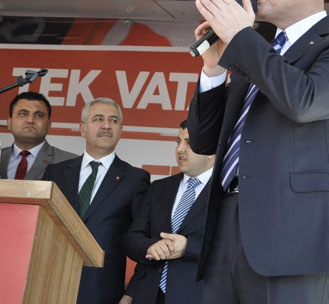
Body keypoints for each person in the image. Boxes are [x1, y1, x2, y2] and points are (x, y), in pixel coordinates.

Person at [187, 0, 329, 304]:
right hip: (226, 231)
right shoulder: (256, 53)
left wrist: (242, 38)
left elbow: (304, 102)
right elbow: (203, 142)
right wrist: (213, 69)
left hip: (295, 243)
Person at [44, 97, 150, 304]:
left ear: (121, 130)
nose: (106, 125)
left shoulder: (135, 179)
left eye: (113, 120)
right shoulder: (55, 173)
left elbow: (144, 240)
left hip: (102, 291)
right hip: (52, 284)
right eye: (98, 119)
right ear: (82, 129)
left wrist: (132, 292)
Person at [122, 120, 214, 304]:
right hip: (148, 295)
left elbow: (234, 249)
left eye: (189, 143)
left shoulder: (228, 193)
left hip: (198, 297)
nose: (180, 149)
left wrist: (189, 247)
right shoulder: (159, 188)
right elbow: (132, 238)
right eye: (178, 141)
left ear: (211, 150)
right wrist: (151, 246)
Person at [1, 92, 76, 179]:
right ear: (9, 123)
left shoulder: (71, 163)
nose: (30, 120)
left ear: (49, 125)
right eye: (22, 114)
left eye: (38, 115)